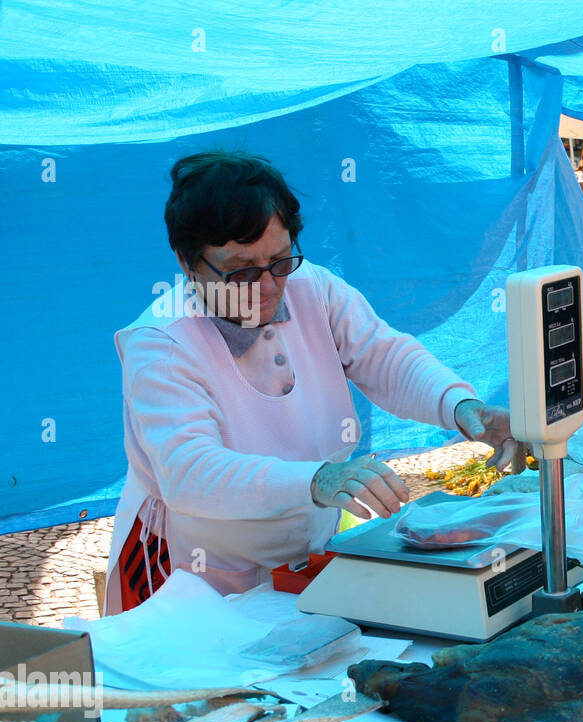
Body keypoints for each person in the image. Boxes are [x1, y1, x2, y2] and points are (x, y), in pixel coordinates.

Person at [105, 151, 515, 614]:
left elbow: (386, 357)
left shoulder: (312, 287)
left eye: (279, 261)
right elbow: (191, 472)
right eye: (240, 271)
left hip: (299, 555)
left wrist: (462, 408)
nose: (265, 286)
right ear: (186, 261)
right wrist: (319, 478)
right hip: (190, 573)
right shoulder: (162, 342)